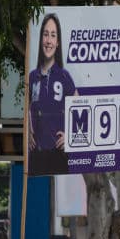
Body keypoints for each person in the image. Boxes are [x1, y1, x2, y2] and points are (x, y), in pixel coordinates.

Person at [28, 13, 76, 172]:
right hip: (37, 155)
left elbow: (81, 109)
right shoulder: (32, 76)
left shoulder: (64, 76)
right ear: (41, 38)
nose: (48, 40)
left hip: (58, 156)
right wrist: (28, 131)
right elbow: (27, 108)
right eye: (45, 34)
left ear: (57, 43)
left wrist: (71, 135)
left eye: (53, 35)